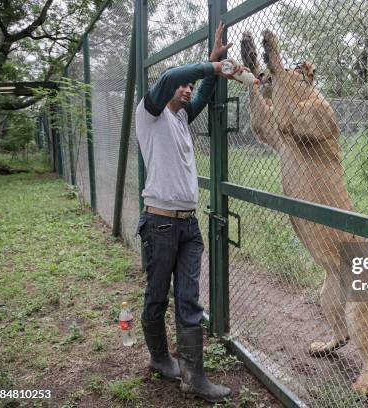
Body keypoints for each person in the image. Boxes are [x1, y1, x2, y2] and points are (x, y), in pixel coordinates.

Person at [134, 21, 244, 403]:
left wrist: (215, 64)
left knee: (189, 298)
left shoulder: (180, 117)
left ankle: (194, 376)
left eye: (189, 87)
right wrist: (211, 68)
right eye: (183, 87)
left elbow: (202, 92)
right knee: (156, 294)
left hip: (188, 226)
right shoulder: (149, 113)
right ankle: (160, 358)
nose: (187, 89)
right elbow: (170, 75)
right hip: (160, 223)